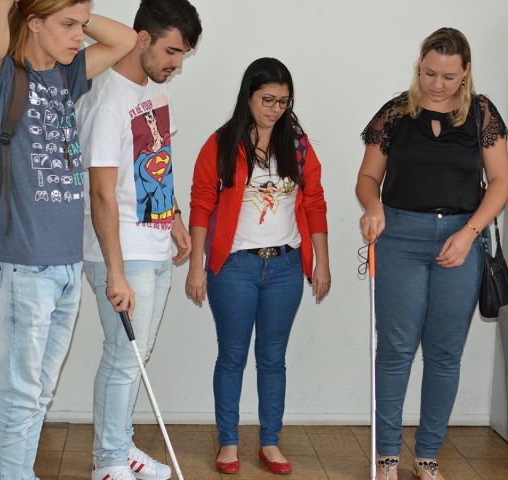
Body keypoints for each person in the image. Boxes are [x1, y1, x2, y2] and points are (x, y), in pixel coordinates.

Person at [0, 1, 137, 478]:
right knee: (20, 395)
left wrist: (75, 10)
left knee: (38, 392)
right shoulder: (1, 79)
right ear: (33, 22)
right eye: (66, 26)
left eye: (81, 27)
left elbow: (126, 40)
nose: (79, 37)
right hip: (26, 265)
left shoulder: (67, 77)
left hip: (65, 264)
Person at [356, 27, 508, 480]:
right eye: (428, 73)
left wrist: (468, 234)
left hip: (461, 241)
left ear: (465, 74)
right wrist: (372, 207)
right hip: (399, 237)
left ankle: (427, 458)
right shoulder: (396, 113)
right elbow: (367, 180)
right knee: (396, 349)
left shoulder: (482, 114)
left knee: (445, 354)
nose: (436, 84)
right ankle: (386, 458)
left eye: (447, 76)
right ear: (418, 65)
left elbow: (500, 181)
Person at [186, 57, 330, 475]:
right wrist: (197, 266)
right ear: (248, 95)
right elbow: (201, 204)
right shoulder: (222, 143)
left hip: (285, 267)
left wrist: (321, 263)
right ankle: (228, 442)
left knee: (273, 358)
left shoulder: (298, 146)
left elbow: (316, 203)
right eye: (267, 99)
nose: (275, 108)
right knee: (232, 355)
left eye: (283, 101)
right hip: (233, 268)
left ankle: (270, 441)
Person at [78, 0, 202, 478]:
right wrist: (113, 270)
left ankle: (120, 446)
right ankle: (107, 461)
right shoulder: (106, 97)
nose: (175, 63)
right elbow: (103, 192)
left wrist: (172, 216)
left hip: (151, 245)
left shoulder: (154, 94)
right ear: (142, 38)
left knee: (135, 356)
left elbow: (150, 166)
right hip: (121, 251)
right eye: (171, 50)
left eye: (183, 55)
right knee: (124, 356)